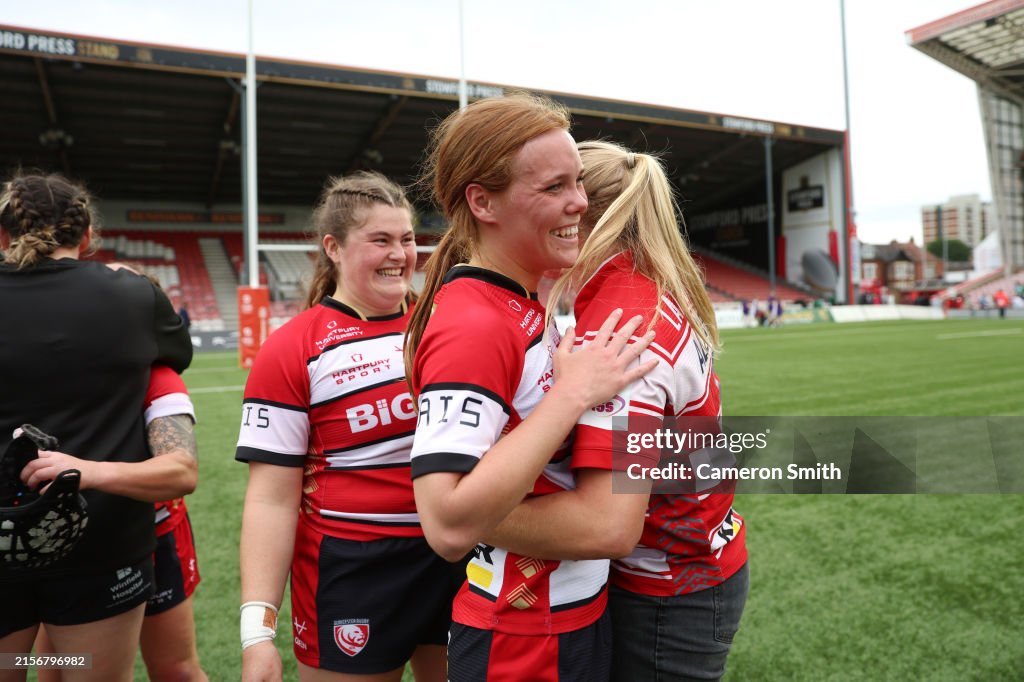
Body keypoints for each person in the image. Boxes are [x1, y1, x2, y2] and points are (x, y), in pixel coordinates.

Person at [405, 94, 657, 681]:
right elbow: (444, 522)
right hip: (522, 637)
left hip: (565, 619)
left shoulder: (518, 302)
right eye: (554, 187)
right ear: (482, 202)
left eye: (578, 182)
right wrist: (571, 395)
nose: (579, 202)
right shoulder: (474, 323)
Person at [487, 141, 749, 682]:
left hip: (669, 588)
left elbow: (606, 526)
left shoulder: (620, 327)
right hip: (695, 565)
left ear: (579, 215)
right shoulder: (645, 288)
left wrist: (467, 514)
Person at [236, 171, 460, 682]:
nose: (399, 254)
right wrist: (257, 635)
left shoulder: (444, 324)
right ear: (333, 248)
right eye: (380, 240)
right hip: (354, 571)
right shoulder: (292, 348)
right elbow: (271, 501)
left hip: (454, 555)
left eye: (407, 239)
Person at [0, 172, 192, 682]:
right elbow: (173, 356)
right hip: (99, 541)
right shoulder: (132, 295)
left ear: (2, 234)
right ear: (86, 236)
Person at [32, 364, 207, 682]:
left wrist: (91, 472)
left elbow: (182, 472)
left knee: (177, 672)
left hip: (155, 532)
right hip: (67, 542)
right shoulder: (47, 368)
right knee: (57, 670)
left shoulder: (152, 373)